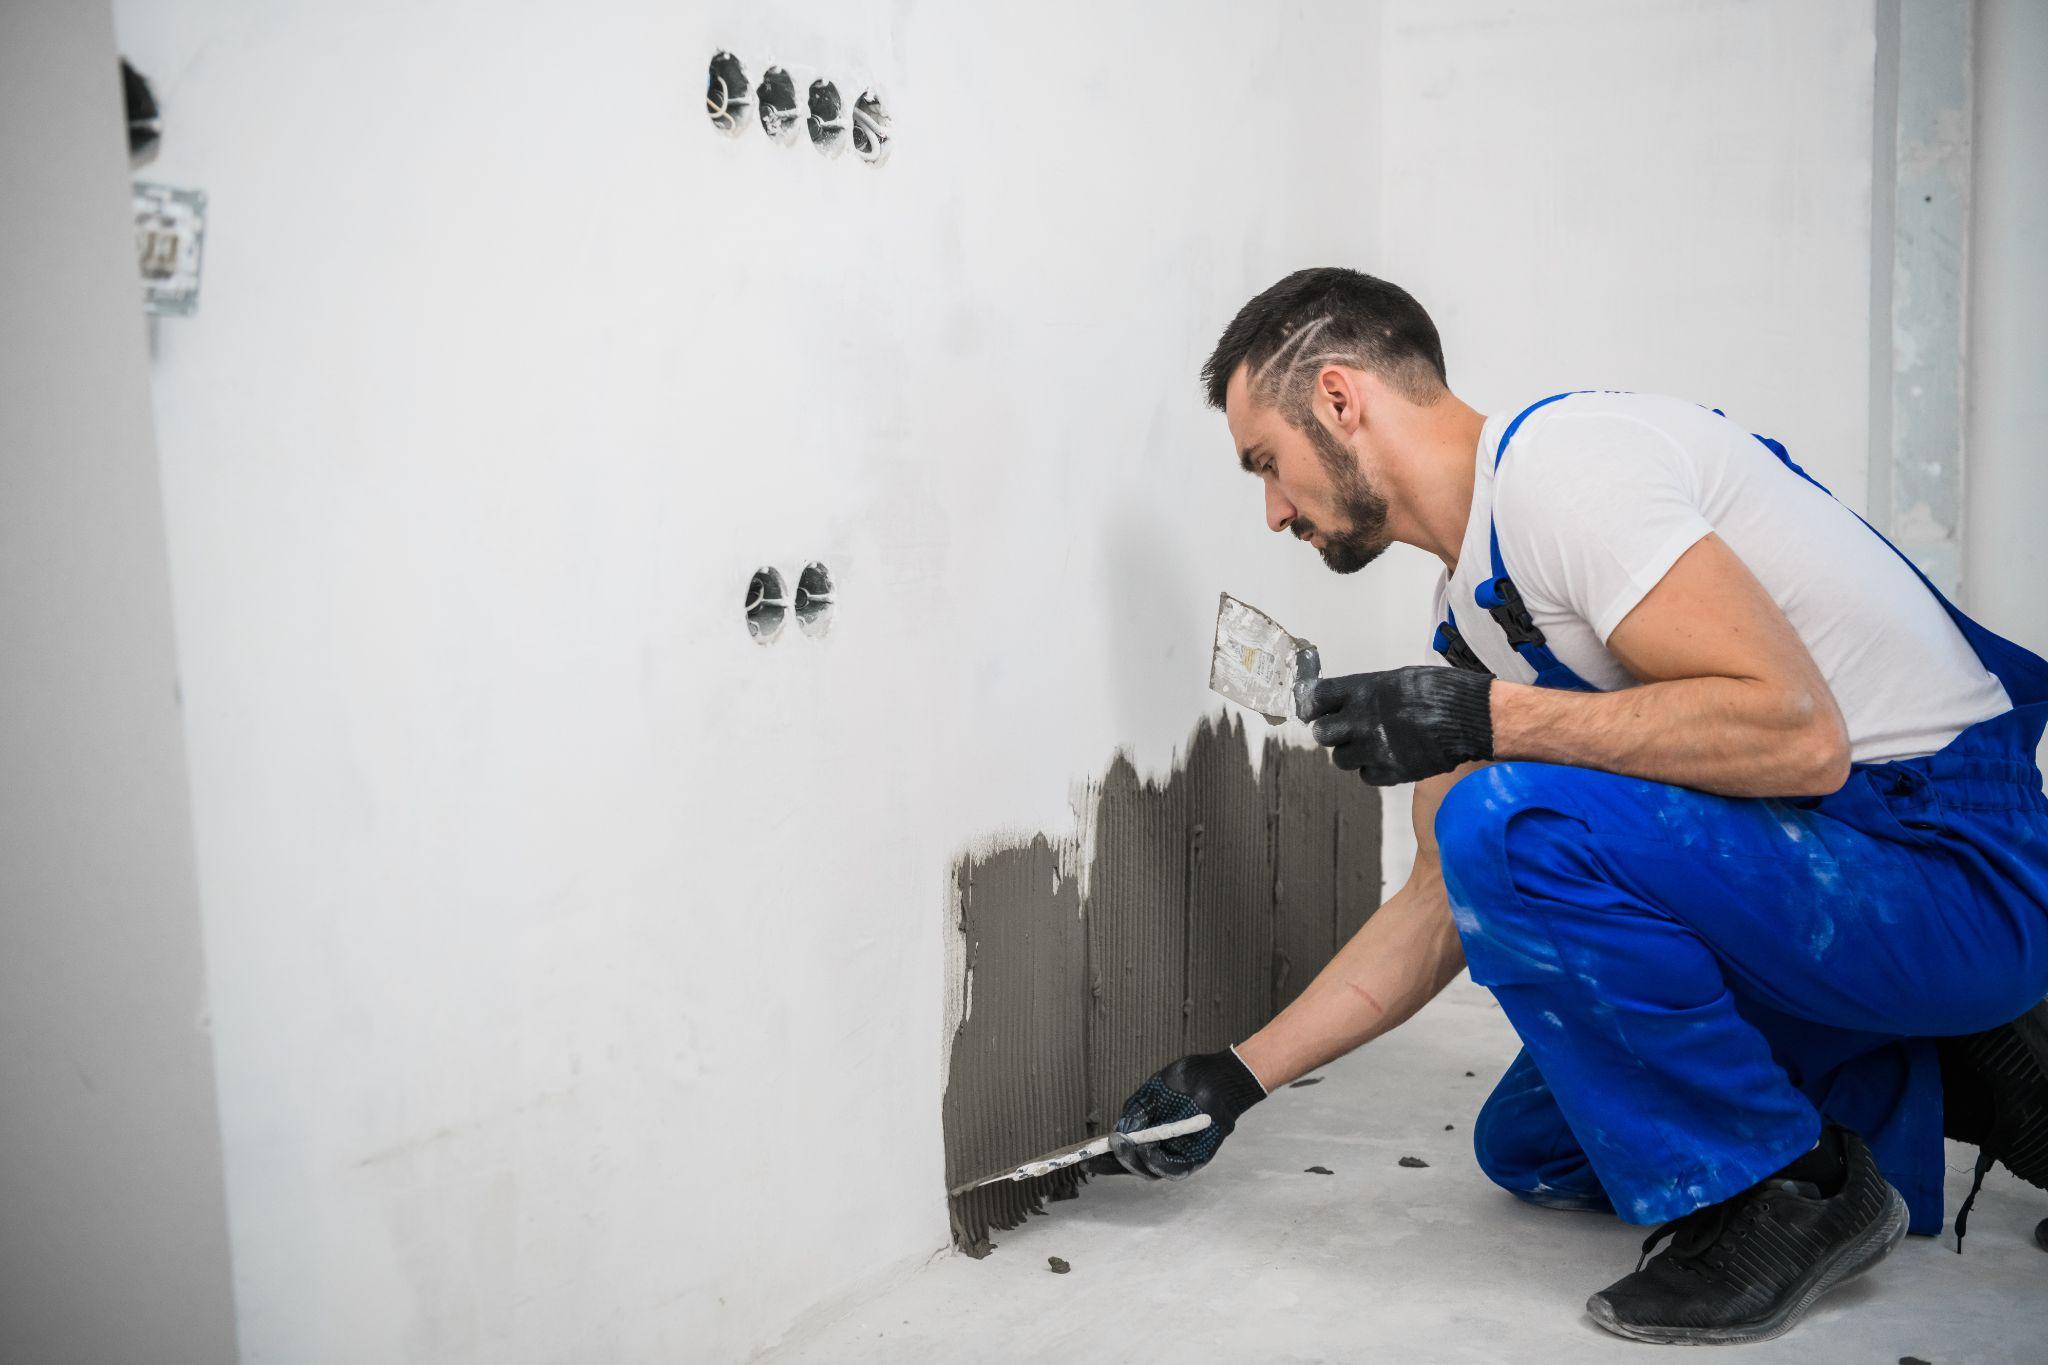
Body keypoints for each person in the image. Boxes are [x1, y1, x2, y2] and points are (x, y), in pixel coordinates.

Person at [1107, 267, 2048, 1345]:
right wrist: (1233, 1079)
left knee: (1503, 818)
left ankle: (1788, 1196)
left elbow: (1800, 736)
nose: (1272, 510)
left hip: (1946, 863)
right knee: (1534, 1145)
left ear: (1336, 398)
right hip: (1827, 879)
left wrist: (1488, 722)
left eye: (1264, 464)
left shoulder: (1565, 474)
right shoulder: (1472, 610)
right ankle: (1956, 1065)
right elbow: (1437, 903)